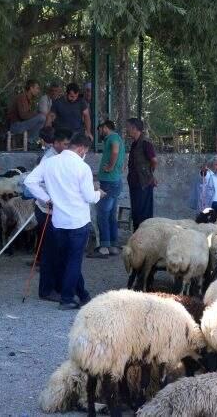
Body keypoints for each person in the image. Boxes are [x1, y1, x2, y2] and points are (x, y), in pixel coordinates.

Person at [24, 134, 104, 309]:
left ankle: (83, 294)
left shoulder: (50, 162)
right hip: (78, 221)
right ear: (82, 148)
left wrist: (46, 198)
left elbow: (29, 181)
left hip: (58, 221)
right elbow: (90, 197)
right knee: (74, 261)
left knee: (65, 260)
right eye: (86, 151)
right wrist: (99, 194)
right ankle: (67, 298)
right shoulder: (82, 168)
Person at [25, 127, 72, 269]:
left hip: (54, 204)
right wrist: (47, 199)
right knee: (47, 235)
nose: (66, 147)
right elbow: (35, 181)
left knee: (47, 235)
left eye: (68, 145)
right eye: (64, 144)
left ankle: (43, 261)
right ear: (56, 143)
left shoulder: (61, 157)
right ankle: (44, 263)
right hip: (47, 205)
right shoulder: (49, 159)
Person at [89, 120, 125, 258]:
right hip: (112, 181)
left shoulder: (113, 137)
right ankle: (113, 246)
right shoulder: (116, 138)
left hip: (109, 182)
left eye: (100, 130)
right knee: (110, 215)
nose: (99, 133)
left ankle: (104, 246)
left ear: (105, 128)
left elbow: (115, 152)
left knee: (103, 214)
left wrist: (110, 167)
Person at [126, 118, 158, 231]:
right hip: (135, 183)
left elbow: (154, 161)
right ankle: (137, 238)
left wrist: (149, 174)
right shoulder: (134, 143)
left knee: (143, 213)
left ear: (134, 128)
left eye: (128, 127)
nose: (127, 129)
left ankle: (144, 238)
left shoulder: (145, 143)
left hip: (143, 183)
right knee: (136, 212)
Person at [7, 79, 46, 146]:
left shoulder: (29, 99)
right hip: (15, 126)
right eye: (37, 88)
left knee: (41, 117)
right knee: (41, 117)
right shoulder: (22, 97)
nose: (38, 91)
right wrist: (37, 114)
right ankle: (30, 142)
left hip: (21, 124)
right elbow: (23, 116)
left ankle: (30, 141)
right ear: (31, 88)